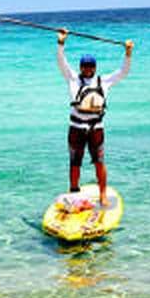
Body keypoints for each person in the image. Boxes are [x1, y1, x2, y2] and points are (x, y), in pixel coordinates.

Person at [57, 30, 134, 206]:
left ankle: (103, 194)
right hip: (76, 128)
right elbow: (62, 63)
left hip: (96, 129)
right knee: (75, 163)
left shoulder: (104, 81)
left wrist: (128, 53)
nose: (88, 69)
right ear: (80, 67)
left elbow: (123, 72)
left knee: (99, 162)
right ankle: (74, 193)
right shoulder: (73, 80)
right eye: (84, 65)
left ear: (95, 67)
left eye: (91, 66)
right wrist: (61, 43)